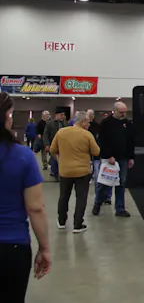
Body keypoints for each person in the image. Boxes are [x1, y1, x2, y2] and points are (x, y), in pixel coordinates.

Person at [0, 92, 51, 302]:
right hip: (11, 246)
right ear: (5, 117)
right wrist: (44, 248)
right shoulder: (22, 156)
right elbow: (35, 207)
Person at [50, 111, 100, 233]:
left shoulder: (61, 132)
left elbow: (52, 150)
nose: (89, 124)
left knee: (63, 196)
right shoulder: (87, 135)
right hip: (82, 172)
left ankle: (61, 221)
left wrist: (60, 161)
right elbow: (96, 151)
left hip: (65, 171)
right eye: (88, 122)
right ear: (82, 122)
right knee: (81, 198)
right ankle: (78, 224)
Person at [92, 102, 135, 218]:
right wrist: (108, 155)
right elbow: (102, 141)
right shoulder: (106, 123)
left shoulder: (127, 123)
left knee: (121, 183)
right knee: (104, 183)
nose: (123, 114)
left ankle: (120, 208)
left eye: (125, 112)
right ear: (114, 111)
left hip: (123, 158)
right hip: (109, 159)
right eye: (121, 112)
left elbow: (131, 141)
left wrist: (131, 157)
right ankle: (97, 204)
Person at [43, 110, 66, 180]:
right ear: (57, 115)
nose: (63, 116)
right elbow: (46, 135)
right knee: (54, 160)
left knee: (62, 161)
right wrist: (46, 144)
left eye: (63, 115)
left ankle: (61, 174)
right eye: (61, 115)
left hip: (63, 145)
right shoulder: (50, 123)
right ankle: (56, 175)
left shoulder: (65, 123)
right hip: (53, 145)